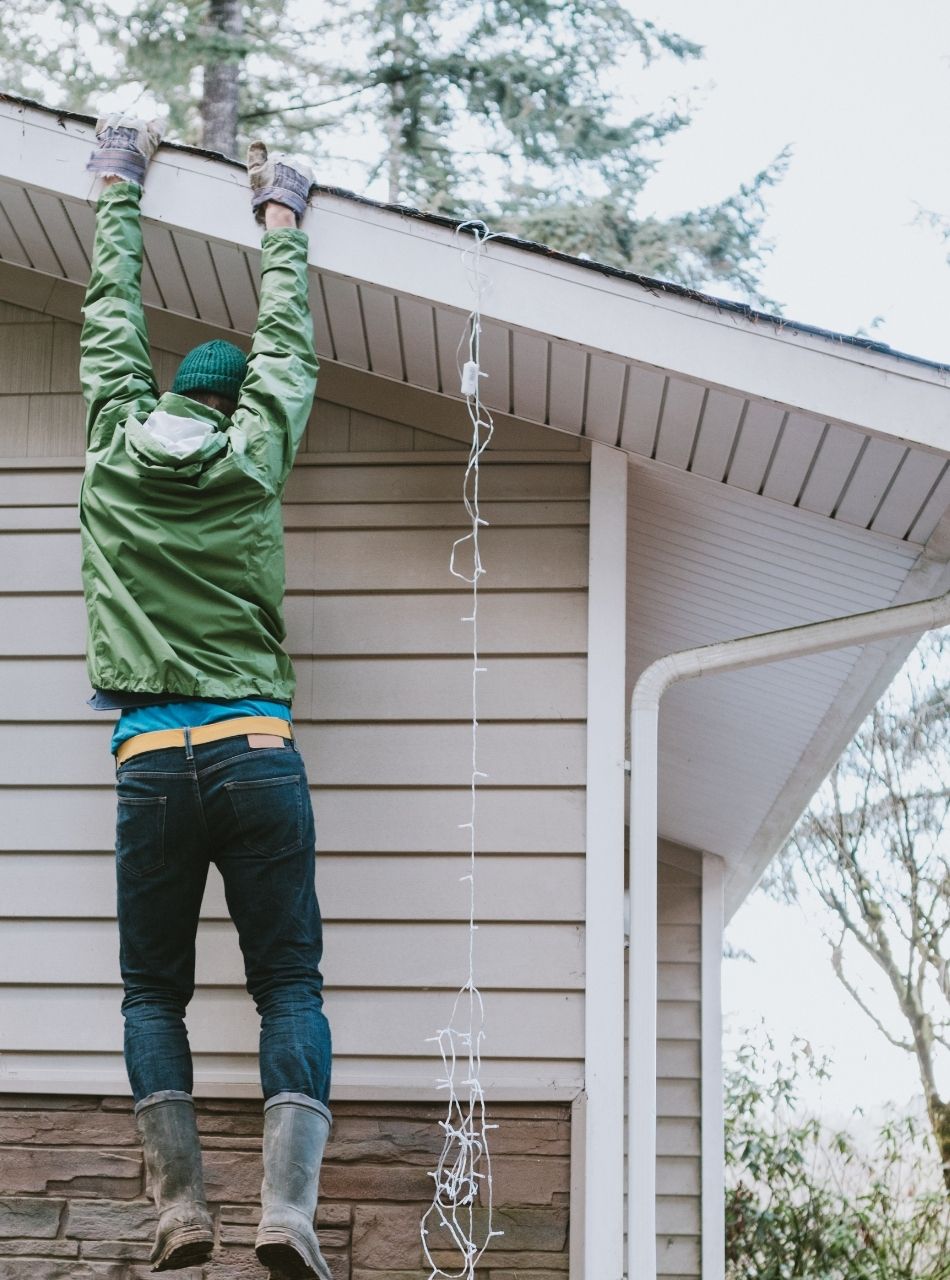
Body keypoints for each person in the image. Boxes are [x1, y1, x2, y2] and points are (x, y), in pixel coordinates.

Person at [80, 113, 332, 1279]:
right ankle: (285, 1213)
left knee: (152, 990)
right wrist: (277, 212)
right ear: (232, 411)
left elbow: (105, 325)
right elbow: (286, 347)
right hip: (254, 745)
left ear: (166, 395)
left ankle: (180, 1206)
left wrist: (117, 181)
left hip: (149, 757)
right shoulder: (250, 455)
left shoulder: (110, 441)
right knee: (285, 980)